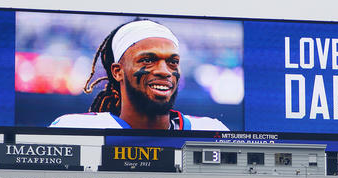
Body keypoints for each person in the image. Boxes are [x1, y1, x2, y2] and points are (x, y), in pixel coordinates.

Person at [49, 20, 228, 131]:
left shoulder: (210, 131)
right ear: (117, 72)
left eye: (172, 62)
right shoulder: (75, 129)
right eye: (148, 60)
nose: (164, 71)